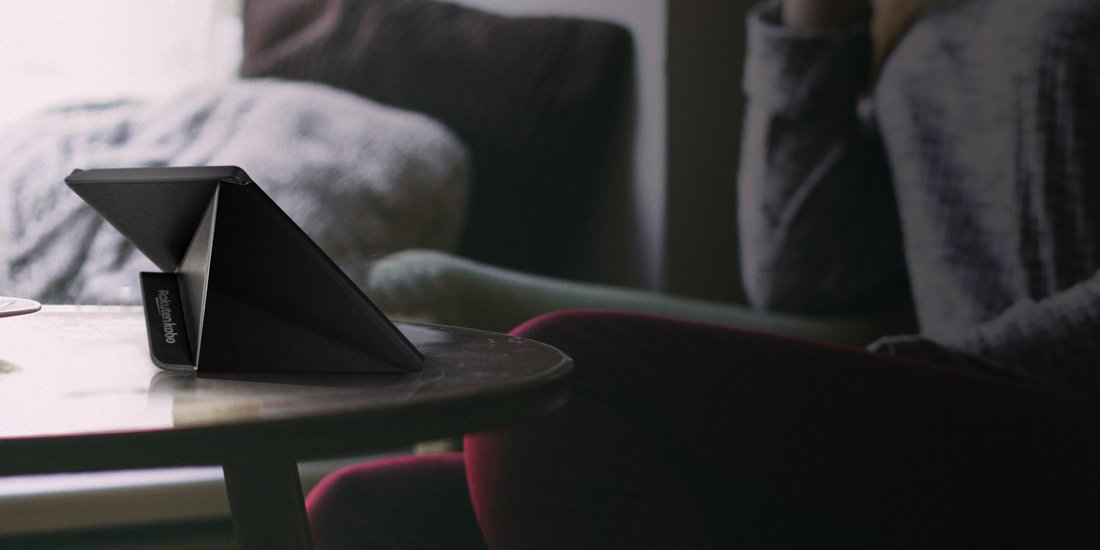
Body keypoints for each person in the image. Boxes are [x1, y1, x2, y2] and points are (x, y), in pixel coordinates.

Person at [306, 0, 1100, 547]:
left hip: (1048, 418)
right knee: (365, 512)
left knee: (569, 378)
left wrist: (923, 379)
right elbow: (805, 274)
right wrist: (813, 23)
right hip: (950, 423)